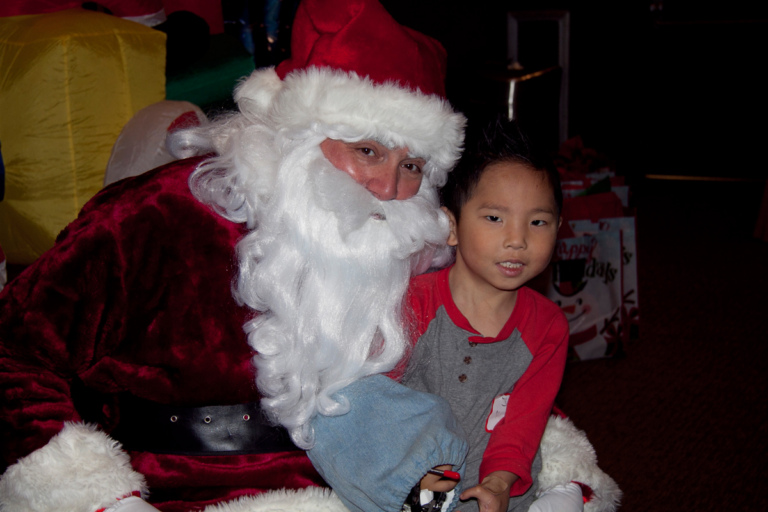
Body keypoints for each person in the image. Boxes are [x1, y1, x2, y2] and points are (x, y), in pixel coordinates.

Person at [0, 0, 467, 510]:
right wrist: (99, 497)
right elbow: (14, 351)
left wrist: (554, 468)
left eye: (413, 166)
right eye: (368, 151)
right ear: (300, 136)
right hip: (175, 494)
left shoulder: (412, 249)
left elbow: (497, 364)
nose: (387, 187)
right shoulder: (164, 213)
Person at [401, 118, 617, 512]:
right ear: (452, 226)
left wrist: (499, 482)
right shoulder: (414, 303)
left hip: (497, 481)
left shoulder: (548, 326)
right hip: (410, 475)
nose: (517, 240)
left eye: (538, 222)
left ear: (558, 229)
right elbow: (378, 401)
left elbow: (523, 421)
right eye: (495, 218)